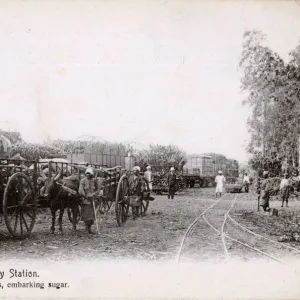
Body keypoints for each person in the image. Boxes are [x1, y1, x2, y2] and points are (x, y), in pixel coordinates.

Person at [78, 167, 99, 234]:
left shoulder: (94, 180)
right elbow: (80, 190)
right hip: (85, 201)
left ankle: (89, 228)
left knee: (92, 217)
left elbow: (98, 189)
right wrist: (86, 196)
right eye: (87, 173)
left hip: (92, 201)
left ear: (92, 174)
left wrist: (93, 194)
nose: (88, 175)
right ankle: (87, 228)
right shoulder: (83, 181)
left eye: (89, 174)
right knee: (86, 216)